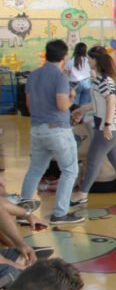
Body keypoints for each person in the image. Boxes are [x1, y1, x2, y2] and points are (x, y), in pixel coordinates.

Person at [19, 40, 82, 225]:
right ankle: (60, 213)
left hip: (37, 130)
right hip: (58, 130)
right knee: (69, 170)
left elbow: (29, 105)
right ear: (64, 57)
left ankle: (23, 213)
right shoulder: (60, 77)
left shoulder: (33, 75)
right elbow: (62, 105)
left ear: (46, 54)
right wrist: (72, 97)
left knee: (35, 170)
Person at [69, 47, 116, 207]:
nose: (88, 61)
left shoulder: (103, 80)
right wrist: (81, 109)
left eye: (89, 59)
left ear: (96, 61)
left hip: (110, 127)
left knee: (93, 160)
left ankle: (82, 194)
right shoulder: (104, 79)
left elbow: (111, 101)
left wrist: (107, 125)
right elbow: (100, 102)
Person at [64, 42, 91, 107]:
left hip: (74, 85)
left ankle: (74, 113)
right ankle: (81, 114)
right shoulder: (88, 60)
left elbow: (66, 74)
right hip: (87, 83)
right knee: (83, 107)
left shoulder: (70, 60)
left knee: (74, 106)